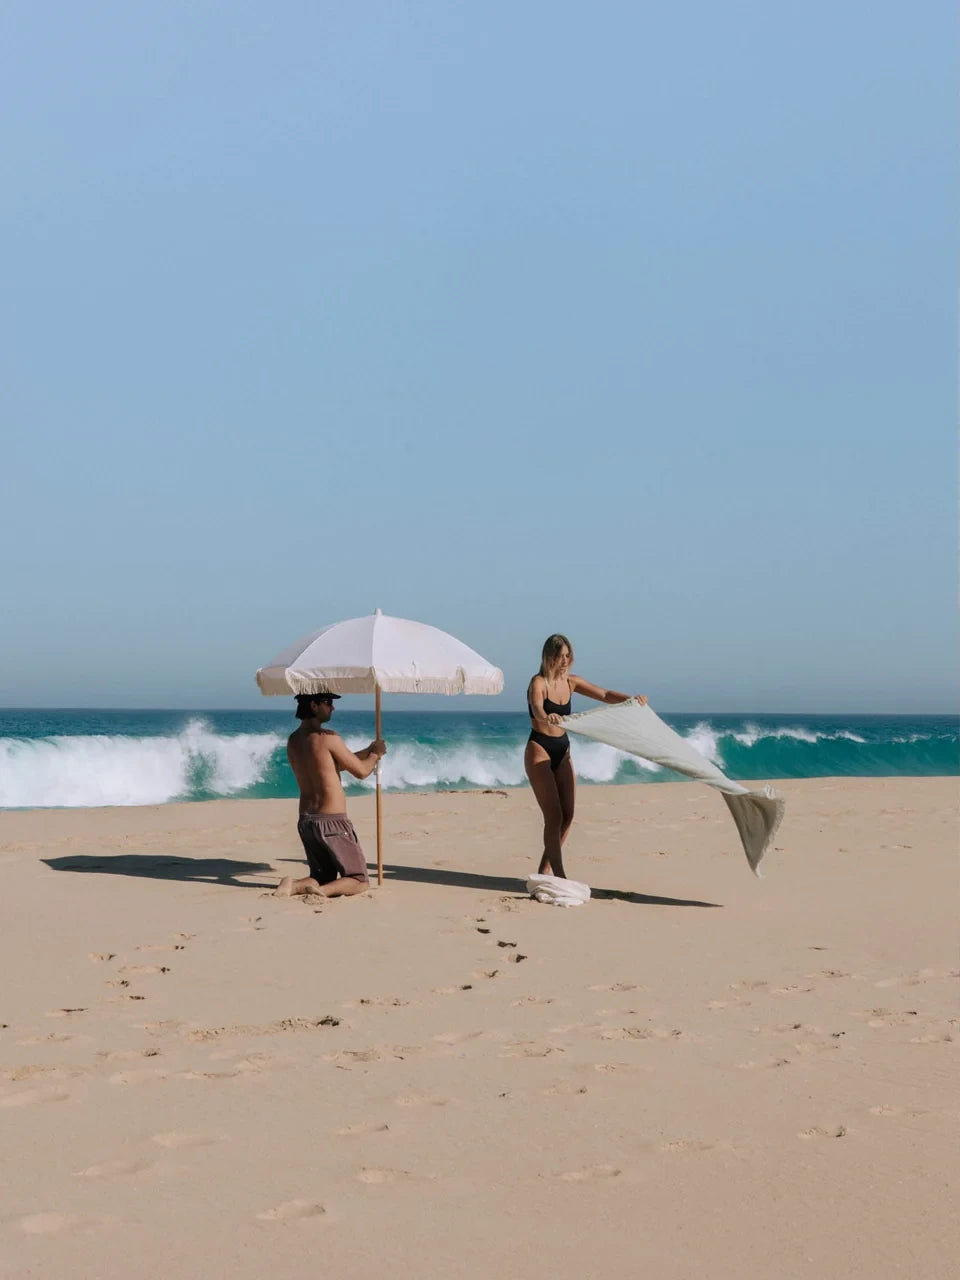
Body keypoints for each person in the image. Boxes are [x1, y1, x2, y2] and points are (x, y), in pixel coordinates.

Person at [526, 634, 646, 879]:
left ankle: (544, 870)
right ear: (548, 657)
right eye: (559, 656)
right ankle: (559, 876)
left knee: (568, 815)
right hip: (539, 748)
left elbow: (604, 694)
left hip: (563, 749)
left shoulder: (572, 682)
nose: (564, 661)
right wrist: (545, 716)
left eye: (567, 656)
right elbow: (537, 706)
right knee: (554, 815)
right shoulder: (538, 683)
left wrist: (631, 699)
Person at [275, 692, 386, 899]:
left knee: (324, 874)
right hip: (332, 821)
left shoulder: (294, 740)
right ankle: (321, 892)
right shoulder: (329, 738)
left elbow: (331, 766)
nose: (332, 708)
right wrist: (375, 754)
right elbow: (361, 771)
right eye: (328, 703)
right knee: (359, 879)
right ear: (314, 705)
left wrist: (368, 750)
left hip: (307, 820)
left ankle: (293, 886)